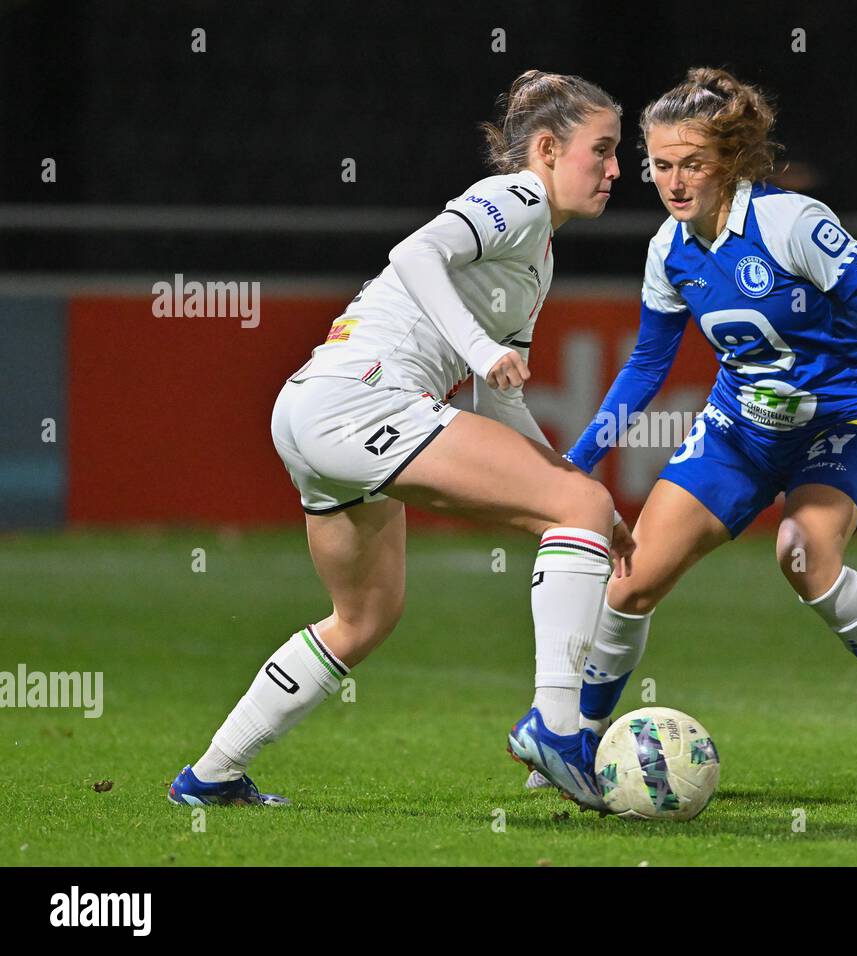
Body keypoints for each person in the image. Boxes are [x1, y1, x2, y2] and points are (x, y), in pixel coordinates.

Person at [167, 70, 633, 812]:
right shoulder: (513, 198)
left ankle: (211, 776)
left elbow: (499, 401)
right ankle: (556, 726)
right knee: (576, 506)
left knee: (364, 618)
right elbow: (416, 253)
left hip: (312, 409)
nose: (616, 169)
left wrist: (567, 480)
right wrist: (484, 353)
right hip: (363, 400)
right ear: (546, 148)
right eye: (602, 150)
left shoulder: (538, 253)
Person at [561, 68, 857, 776]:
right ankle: (575, 745)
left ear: (730, 162)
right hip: (740, 429)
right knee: (630, 582)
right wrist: (580, 458)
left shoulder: (792, 223)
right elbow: (648, 366)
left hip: (843, 420)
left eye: (693, 164)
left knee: (799, 552)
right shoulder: (668, 250)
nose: (675, 182)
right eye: (660, 166)